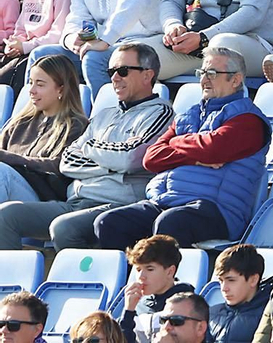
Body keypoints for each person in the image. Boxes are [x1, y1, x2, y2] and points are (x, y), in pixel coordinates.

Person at [93, 45, 269, 247]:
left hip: (216, 210)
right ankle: (131, 278)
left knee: (170, 223)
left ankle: (166, 278)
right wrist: (195, 156)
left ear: (236, 79)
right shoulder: (189, 115)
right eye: (201, 73)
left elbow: (212, 149)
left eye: (212, 73)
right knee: (109, 222)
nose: (204, 80)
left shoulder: (248, 120)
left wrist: (175, 142)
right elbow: (152, 158)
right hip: (165, 201)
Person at [0, 40, 170, 248]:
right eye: (112, 71)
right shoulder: (103, 115)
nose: (115, 78)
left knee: (63, 227)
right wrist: (111, 164)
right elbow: (67, 161)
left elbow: (130, 158)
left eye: (123, 71)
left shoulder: (160, 113)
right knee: (7, 216)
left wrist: (90, 149)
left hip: (116, 205)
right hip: (74, 202)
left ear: (147, 75)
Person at [0, 52, 86, 204]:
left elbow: (59, 166)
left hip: (42, 197)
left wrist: (10, 158)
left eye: (40, 84)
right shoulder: (21, 121)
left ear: (61, 89)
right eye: (31, 82)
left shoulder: (76, 126)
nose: (31, 90)